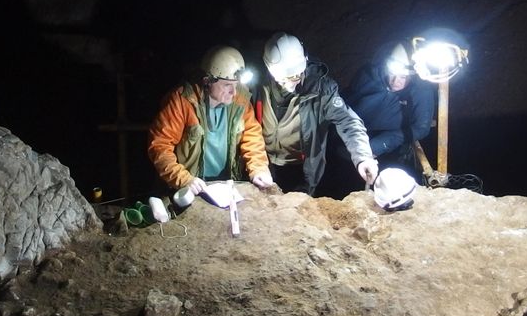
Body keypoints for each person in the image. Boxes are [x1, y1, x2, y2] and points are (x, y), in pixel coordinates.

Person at [255, 32, 377, 194]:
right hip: (264, 163)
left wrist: (363, 157)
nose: (292, 81)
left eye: (296, 75)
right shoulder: (257, 82)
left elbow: (348, 121)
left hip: (300, 169)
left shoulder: (321, 89)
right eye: (285, 78)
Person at [148, 45, 274, 195]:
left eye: (236, 85)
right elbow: (160, 145)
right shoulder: (182, 101)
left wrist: (259, 168)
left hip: (227, 185)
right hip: (192, 187)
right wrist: (183, 179)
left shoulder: (240, 99)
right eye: (227, 85)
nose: (233, 92)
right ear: (207, 81)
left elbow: (252, 135)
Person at [342, 42, 437, 180]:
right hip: (350, 140)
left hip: (388, 151)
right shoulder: (369, 74)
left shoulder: (420, 91)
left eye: (403, 77)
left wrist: (381, 144)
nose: (395, 81)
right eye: (392, 73)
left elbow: (421, 128)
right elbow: (348, 100)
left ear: (414, 74)